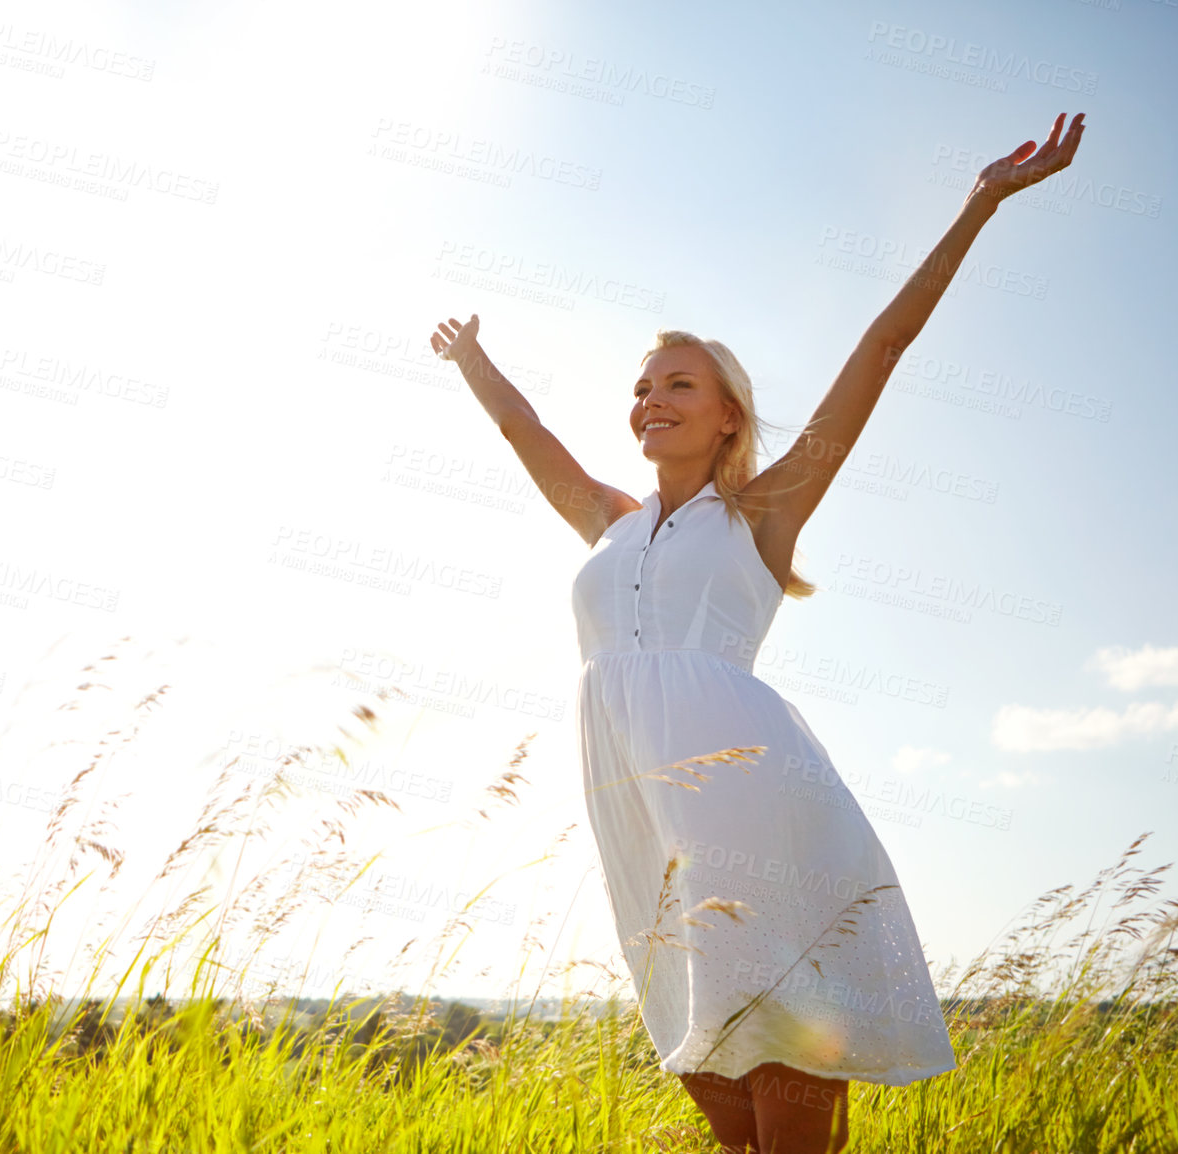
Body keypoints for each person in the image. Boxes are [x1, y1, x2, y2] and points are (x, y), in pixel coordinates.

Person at [430, 113, 1086, 1154]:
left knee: (783, 1036)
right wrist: (472, 359)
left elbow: (883, 346)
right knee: (705, 1055)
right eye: (643, 385)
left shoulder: (761, 516)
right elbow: (526, 432)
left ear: (729, 413)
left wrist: (978, 204)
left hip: (747, 785)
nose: (651, 397)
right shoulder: (610, 522)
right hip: (632, 796)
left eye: (677, 382)